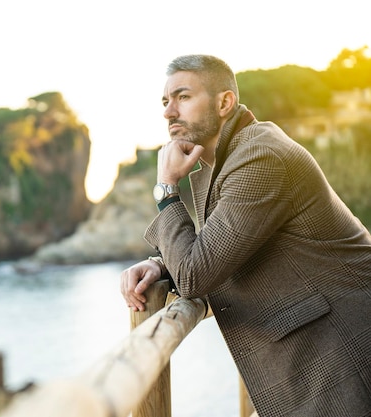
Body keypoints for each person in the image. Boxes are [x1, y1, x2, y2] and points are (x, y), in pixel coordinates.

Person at [120, 54, 371, 417]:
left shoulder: (260, 157)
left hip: (343, 355)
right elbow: (221, 248)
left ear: (225, 103)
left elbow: (196, 274)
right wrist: (162, 267)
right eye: (165, 101)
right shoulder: (228, 159)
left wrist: (166, 188)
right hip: (319, 358)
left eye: (183, 97)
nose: (168, 112)